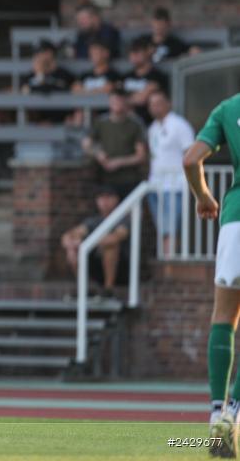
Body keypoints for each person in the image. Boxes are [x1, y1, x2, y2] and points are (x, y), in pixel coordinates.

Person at [182, 93, 240, 459]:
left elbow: (191, 159)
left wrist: (203, 196)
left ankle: (215, 413)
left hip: (235, 220)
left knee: (224, 317)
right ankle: (234, 411)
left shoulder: (228, 107)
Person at [146, 92, 194, 257]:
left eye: (159, 102)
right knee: (162, 227)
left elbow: (191, 153)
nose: (155, 107)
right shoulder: (152, 128)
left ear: (169, 103)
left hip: (175, 185)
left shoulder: (180, 125)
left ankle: (169, 261)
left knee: (172, 227)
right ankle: (166, 261)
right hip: (155, 184)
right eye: (151, 104)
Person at [60, 186, 129, 298]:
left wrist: (85, 243)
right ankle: (84, 288)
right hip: (96, 266)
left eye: (108, 197)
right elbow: (70, 235)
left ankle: (108, 290)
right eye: (101, 198)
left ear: (116, 199)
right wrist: (71, 244)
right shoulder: (93, 221)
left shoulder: (124, 219)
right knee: (73, 249)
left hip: (121, 268)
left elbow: (115, 237)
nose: (104, 201)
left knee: (110, 247)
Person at [81, 89, 147, 200]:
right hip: (106, 179)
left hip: (129, 179)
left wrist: (118, 162)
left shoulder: (135, 124)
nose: (117, 104)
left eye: (120, 100)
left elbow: (141, 156)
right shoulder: (101, 123)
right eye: (114, 100)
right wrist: (98, 154)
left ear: (126, 102)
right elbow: (86, 144)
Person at [20, 40, 73, 124]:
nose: (38, 56)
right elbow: (24, 93)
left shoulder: (64, 74)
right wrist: (40, 76)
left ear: (50, 53)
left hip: (60, 119)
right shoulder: (30, 76)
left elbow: (66, 96)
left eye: (41, 52)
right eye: (36, 53)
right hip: (35, 121)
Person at [122, 35, 169, 125]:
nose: (134, 56)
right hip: (127, 124)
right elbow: (120, 100)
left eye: (137, 52)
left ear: (147, 52)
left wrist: (130, 99)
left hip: (152, 123)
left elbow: (142, 100)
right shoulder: (125, 76)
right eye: (131, 52)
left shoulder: (158, 76)